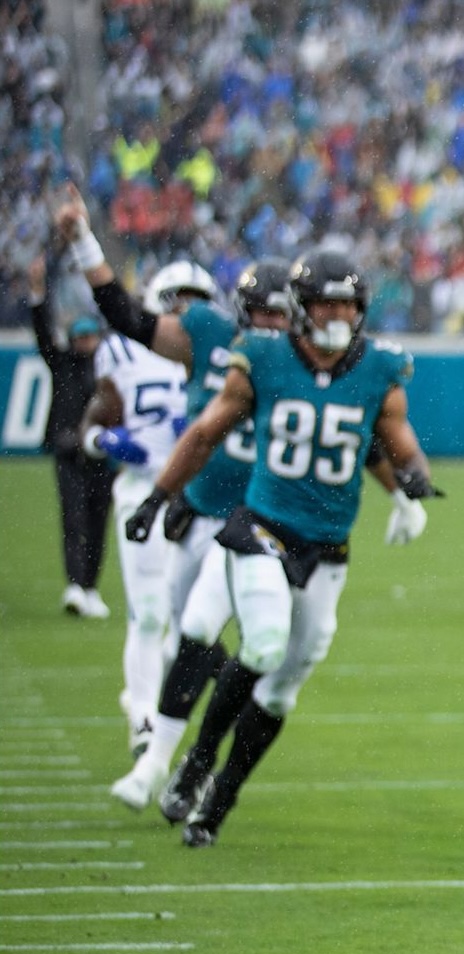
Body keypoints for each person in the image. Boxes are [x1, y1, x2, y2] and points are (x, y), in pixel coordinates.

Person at [124, 251, 441, 846]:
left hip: (327, 543)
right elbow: (204, 432)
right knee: (264, 639)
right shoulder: (264, 359)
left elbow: (398, 441)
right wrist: (158, 496)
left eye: (348, 303)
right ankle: (193, 764)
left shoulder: (378, 369)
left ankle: (220, 796)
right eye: (327, 302)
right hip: (263, 525)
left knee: (284, 682)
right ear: (301, 308)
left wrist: (414, 481)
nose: (338, 314)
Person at [84, 252, 299, 811]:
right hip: (202, 510)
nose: (269, 326)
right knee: (188, 638)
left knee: (243, 641)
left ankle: (171, 764)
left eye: (279, 315)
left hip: (260, 524)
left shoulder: (309, 366)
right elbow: (202, 434)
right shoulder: (213, 337)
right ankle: (180, 760)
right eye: (259, 314)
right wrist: (168, 496)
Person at [79, 265, 206, 754]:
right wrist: (104, 440)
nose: (185, 310)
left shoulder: (215, 354)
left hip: (195, 497)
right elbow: (93, 420)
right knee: (150, 612)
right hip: (142, 489)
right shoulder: (124, 350)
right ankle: (145, 722)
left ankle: (143, 697)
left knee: (189, 621)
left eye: (195, 301)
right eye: (178, 299)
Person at [26, 251, 115, 619]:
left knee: (97, 522)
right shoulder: (61, 361)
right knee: (74, 518)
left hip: (102, 454)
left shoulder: (109, 365)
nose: (86, 343)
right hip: (69, 450)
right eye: (81, 338)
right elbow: (42, 329)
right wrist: (37, 292)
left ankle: (90, 586)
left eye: (90, 337)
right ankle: (76, 585)